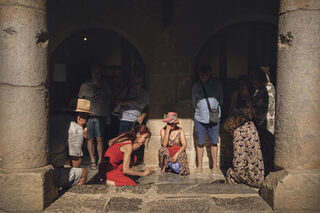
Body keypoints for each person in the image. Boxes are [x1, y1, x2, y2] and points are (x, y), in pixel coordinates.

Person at [49, 98, 93, 188]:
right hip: (52, 172)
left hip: (50, 164)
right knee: (82, 173)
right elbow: (76, 160)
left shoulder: (52, 119)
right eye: (87, 116)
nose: (88, 119)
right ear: (80, 115)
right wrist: (83, 138)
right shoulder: (76, 128)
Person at [78, 65, 112, 170]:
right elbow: (80, 99)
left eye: (98, 73)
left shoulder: (105, 84)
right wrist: (81, 115)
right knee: (90, 138)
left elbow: (111, 97)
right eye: (94, 72)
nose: (96, 75)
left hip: (101, 115)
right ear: (91, 73)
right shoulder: (85, 85)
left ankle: (100, 160)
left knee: (100, 139)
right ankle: (93, 160)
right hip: (89, 115)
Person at [192, 64, 223, 175]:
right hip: (200, 117)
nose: (202, 77)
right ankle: (199, 166)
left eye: (204, 74)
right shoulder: (196, 86)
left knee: (214, 141)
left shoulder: (217, 84)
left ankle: (214, 166)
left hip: (214, 115)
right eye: (200, 75)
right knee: (200, 142)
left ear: (210, 74)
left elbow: (220, 99)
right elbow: (194, 102)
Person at [224, 107, 265, 188]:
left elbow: (238, 163)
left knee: (229, 173)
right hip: (259, 175)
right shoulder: (252, 127)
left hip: (251, 176)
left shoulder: (239, 132)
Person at [249, 68, 275, 175]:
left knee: (265, 150)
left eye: (254, 82)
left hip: (264, 126)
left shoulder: (264, 91)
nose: (253, 84)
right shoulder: (268, 88)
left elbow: (261, 110)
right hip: (266, 125)